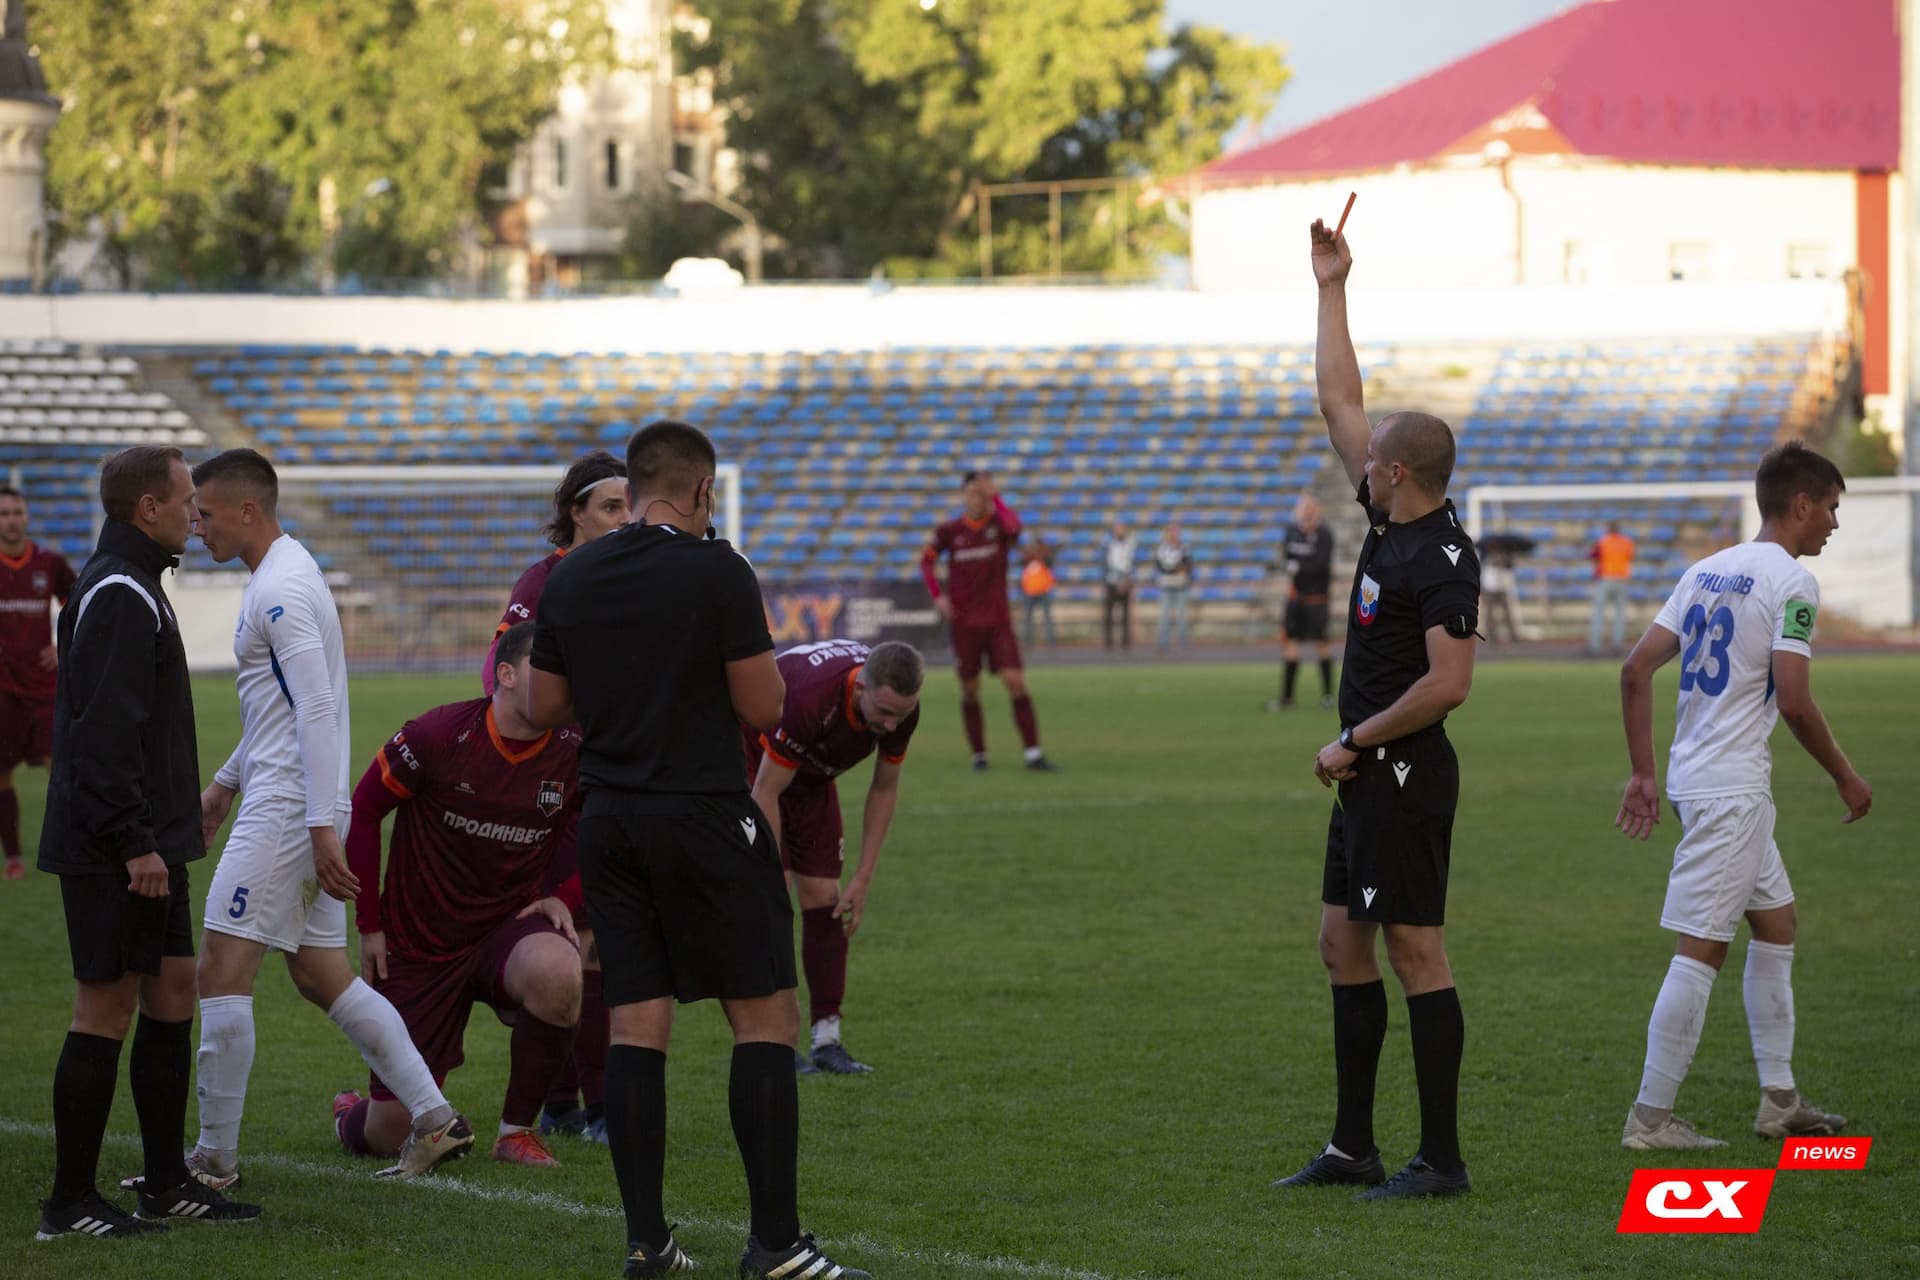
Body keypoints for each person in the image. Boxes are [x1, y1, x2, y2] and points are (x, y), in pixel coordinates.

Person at [527, 420, 869, 1279]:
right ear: (703, 492)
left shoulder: (573, 576)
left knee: (640, 1023)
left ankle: (649, 1245)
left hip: (610, 819)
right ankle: (777, 1247)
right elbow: (763, 709)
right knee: (765, 1020)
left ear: (635, 489)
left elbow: (543, 704)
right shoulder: (720, 569)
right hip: (705, 815)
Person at [188, 448, 472, 1187]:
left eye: (205, 511)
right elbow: (283, 711)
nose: (196, 525)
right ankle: (435, 1119)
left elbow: (315, 707)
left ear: (248, 510)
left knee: (219, 971)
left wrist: (318, 825)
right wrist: (224, 783)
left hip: (288, 811)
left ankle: (212, 1165)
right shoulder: (288, 571)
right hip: (296, 801)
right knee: (323, 976)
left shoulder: (278, 588)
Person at [1273, 216, 1480, 1201]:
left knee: (1412, 948)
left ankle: (1440, 1157)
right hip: (1366, 774)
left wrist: (1351, 735)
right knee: (1339, 942)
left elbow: (1450, 684)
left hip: (1399, 771)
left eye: (1374, 461)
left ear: (1398, 473)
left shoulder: (1443, 557)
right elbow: (1337, 395)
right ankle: (1353, 1143)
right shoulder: (1388, 518)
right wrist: (1331, 285)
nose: (1361, 463)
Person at [1614, 441, 1870, 1150]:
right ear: (1800, 505)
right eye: (1831, 509)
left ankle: (1780, 1101)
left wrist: (1643, 772)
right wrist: (1845, 774)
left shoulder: (1705, 571)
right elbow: (1794, 701)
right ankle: (1651, 1119)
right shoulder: (1791, 583)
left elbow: (1637, 670)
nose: (1833, 524)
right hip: (1731, 790)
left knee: (1778, 925)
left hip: (1706, 781)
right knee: (1700, 950)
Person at [35, 446, 259, 1238]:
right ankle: (68, 1203)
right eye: (185, 499)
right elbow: (102, 738)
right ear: (147, 510)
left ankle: (166, 1183)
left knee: (172, 993)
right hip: (115, 849)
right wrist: (135, 842)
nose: (195, 512)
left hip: (154, 843)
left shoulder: (139, 587)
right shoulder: (122, 593)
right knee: (105, 1008)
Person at [333, 622, 585, 1169]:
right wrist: (370, 924)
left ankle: (516, 1132)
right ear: (507, 675)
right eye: (551, 674)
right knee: (391, 1132)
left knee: (560, 971)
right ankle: (350, 1113)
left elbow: (604, 831)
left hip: (505, 929)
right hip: (421, 942)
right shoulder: (438, 735)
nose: (565, 687)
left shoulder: (574, 748)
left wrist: (564, 894)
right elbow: (364, 809)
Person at [483, 449, 628, 1144]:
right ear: (575, 512)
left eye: (630, 506)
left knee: (591, 941)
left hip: (606, 778)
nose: (624, 519)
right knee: (568, 940)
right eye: (610, 507)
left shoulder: (633, 579)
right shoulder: (541, 582)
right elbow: (499, 670)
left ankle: (587, 1104)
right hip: (547, 786)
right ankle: (572, 1103)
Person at [743, 640, 922, 1075]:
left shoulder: (900, 708)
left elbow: (884, 787)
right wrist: (768, 872)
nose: (891, 723)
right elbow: (766, 790)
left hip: (812, 776)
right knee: (775, 898)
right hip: (753, 763)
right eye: (884, 712)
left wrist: (863, 876)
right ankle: (776, 1042)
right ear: (861, 685)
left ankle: (828, 1040)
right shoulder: (811, 696)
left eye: (901, 713)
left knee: (827, 896)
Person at [921, 471, 1056, 773]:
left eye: (982, 493)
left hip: (998, 621)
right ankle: (979, 755)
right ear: (963, 496)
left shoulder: (999, 527)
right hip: (964, 623)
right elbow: (927, 560)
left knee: (1015, 682)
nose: (977, 498)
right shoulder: (950, 531)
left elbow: (1016, 527)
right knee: (970, 689)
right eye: (972, 492)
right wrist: (937, 595)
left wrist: (997, 497)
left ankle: (1033, 753)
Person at [0, 485, 76, 880]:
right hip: (3, 692)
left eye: (16, 512)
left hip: (45, 687)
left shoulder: (48, 563)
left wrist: (63, 648)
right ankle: (13, 856)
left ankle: (73, 848)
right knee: (2, 775)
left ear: (27, 517)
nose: (11, 519)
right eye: (3, 513)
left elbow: (80, 604)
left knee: (61, 768)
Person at [1271, 495, 1335, 711]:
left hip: (1317, 598)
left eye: (1311, 508)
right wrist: (1298, 566)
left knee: (1321, 644)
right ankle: (1287, 697)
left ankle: (1327, 696)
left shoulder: (1324, 535)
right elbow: (1286, 558)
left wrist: (1298, 566)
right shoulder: (1291, 532)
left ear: (1318, 511)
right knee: (1290, 643)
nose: (1307, 512)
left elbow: (1320, 565)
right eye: (1303, 508)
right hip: (1295, 597)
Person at [1588, 521, 1635, 655]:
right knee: (1619, 614)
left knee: (1598, 613)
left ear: (1608, 529)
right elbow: (1629, 557)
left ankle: (1595, 645)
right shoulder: (1626, 542)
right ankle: (1617, 644)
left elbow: (1593, 555)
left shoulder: (1603, 541)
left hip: (1606, 578)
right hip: (1621, 578)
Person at [1152, 524, 1194, 653]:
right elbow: (1160, 566)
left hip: (1180, 584)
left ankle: (1184, 644)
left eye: (1176, 532)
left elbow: (1188, 564)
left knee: (1182, 616)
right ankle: (1162, 643)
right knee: (1164, 616)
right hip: (1166, 584)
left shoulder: (1184, 547)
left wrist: (1180, 569)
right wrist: (1175, 569)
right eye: (1171, 532)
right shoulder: (1162, 548)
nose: (1173, 534)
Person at [1101, 520, 1136, 651]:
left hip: (1125, 583)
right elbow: (1108, 564)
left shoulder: (1129, 544)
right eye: (1117, 529)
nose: (1120, 531)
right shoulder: (1109, 544)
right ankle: (1109, 642)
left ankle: (1125, 642)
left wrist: (1126, 581)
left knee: (1125, 615)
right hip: (1111, 582)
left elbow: (1129, 564)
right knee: (1109, 614)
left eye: (1122, 528)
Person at [1018, 534, 1058, 651]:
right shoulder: (1028, 558)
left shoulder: (1045, 557)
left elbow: (1049, 562)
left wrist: (1042, 552)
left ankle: (1051, 642)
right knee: (1027, 618)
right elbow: (1021, 562)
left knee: (1047, 617)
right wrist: (1031, 553)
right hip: (1029, 592)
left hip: (1043, 592)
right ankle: (1027, 641)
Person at [1480, 548, 1519, 644]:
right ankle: (1491, 636)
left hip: (1501, 591)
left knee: (1507, 615)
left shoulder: (1505, 566)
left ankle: (1513, 635)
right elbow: (1484, 580)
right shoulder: (1486, 565)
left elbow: (1510, 571)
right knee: (1489, 616)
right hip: (1490, 592)